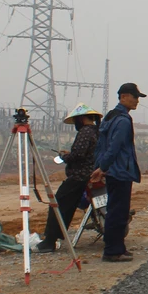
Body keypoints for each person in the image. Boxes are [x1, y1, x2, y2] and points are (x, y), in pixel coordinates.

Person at [36, 103, 102, 253]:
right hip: (91, 174)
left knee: (59, 204)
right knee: (67, 206)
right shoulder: (96, 131)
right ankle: (55, 236)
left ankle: (50, 240)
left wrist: (65, 156)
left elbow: (78, 155)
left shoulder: (85, 132)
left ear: (82, 119)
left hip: (79, 177)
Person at [90, 83, 145, 262]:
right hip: (119, 171)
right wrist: (102, 167)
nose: (137, 101)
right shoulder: (122, 120)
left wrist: (101, 166)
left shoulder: (110, 117)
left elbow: (102, 145)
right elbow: (114, 147)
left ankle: (117, 247)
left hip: (112, 171)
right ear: (123, 96)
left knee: (115, 210)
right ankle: (113, 251)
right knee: (118, 212)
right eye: (135, 97)